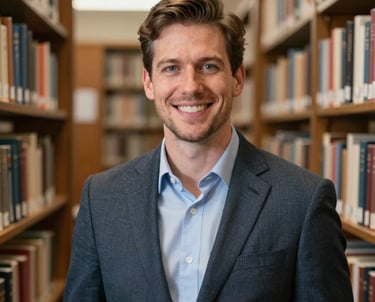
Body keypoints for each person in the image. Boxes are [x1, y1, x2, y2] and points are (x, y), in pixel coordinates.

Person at [64, 0, 353, 301]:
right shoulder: (100, 200)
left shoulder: (303, 200)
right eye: (171, 68)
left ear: (237, 78)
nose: (191, 86)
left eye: (208, 66)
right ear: (149, 82)